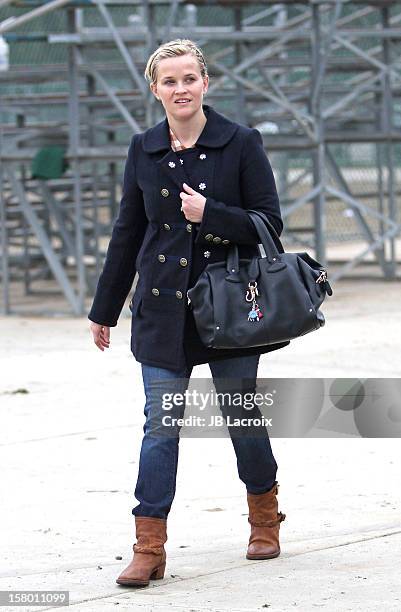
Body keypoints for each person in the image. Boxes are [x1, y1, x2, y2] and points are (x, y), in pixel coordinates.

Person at [88, 39, 287, 588]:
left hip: (228, 310)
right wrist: (104, 308)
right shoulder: (143, 148)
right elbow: (128, 232)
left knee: (241, 418)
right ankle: (148, 546)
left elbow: (270, 224)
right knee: (161, 427)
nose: (181, 89)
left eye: (190, 78)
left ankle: (264, 519)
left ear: (207, 83)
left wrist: (211, 214)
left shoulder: (241, 143)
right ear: (155, 89)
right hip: (161, 311)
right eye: (169, 81)